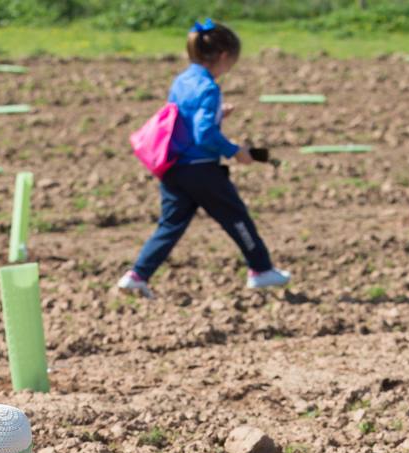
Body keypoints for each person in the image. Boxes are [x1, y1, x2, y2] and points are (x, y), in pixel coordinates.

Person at [117, 18, 291, 300]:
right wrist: (236, 151)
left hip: (174, 167)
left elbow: (184, 119)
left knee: (170, 225)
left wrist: (220, 114)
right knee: (236, 218)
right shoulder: (209, 88)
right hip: (201, 170)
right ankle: (261, 270)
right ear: (223, 56)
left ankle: (136, 276)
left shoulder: (183, 79)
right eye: (231, 64)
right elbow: (204, 133)